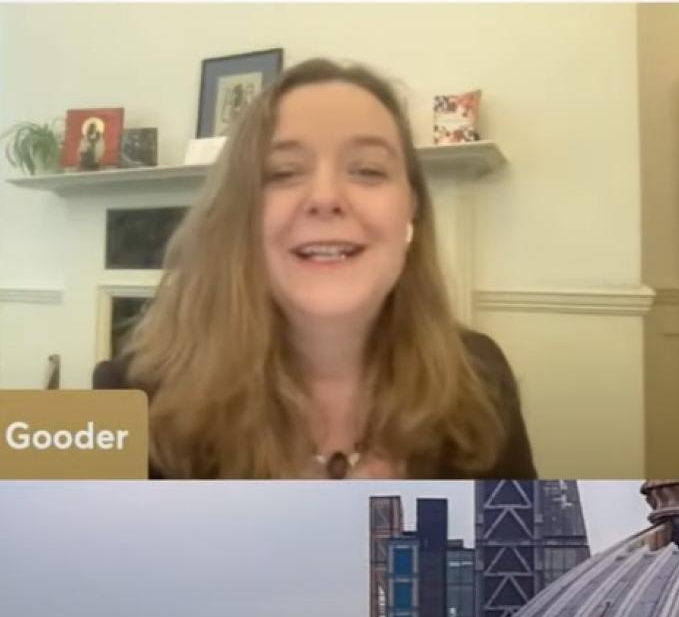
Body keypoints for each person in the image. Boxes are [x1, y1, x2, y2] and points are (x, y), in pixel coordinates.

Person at [93, 58, 535, 479]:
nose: (326, 197)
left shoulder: (481, 379)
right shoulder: (127, 400)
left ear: (411, 213)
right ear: (238, 218)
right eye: (283, 172)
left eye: (367, 170)